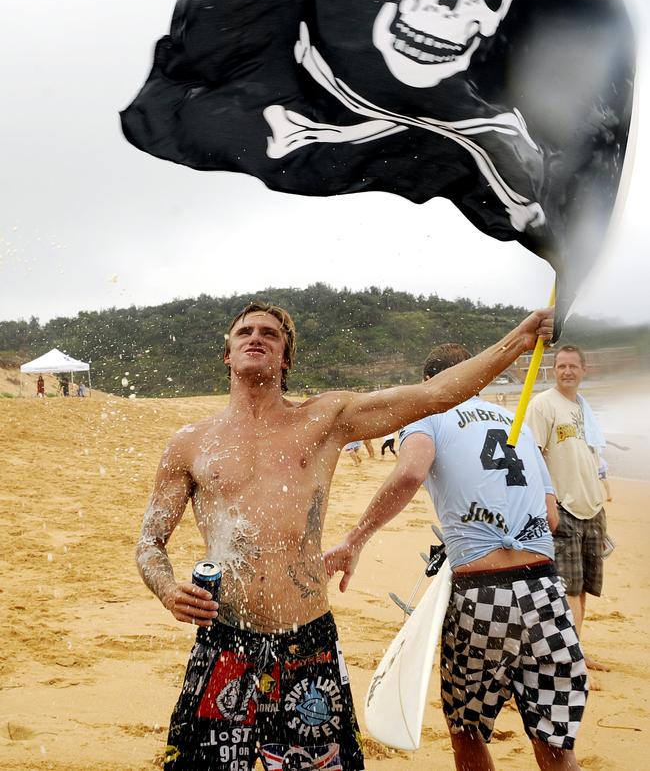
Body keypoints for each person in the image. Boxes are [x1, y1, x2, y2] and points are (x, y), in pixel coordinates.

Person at [135, 302, 553, 771]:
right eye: (245, 332)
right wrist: (169, 591)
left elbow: (435, 395)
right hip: (224, 641)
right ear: (228, 354)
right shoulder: (190, 443)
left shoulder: (325, 419)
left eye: (271, 334)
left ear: (286, 359)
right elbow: (150, 541)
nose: (257, 337)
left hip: (307, 642)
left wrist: (519, 340)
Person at [326, 342, 586, 771]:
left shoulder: (427, 414)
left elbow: (410, 471)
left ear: (434, 384)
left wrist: (355, 539)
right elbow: (552, 518)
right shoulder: (516, 422)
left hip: (482, 597)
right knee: (556, 746)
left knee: (467, 730)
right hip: (546, 593)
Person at [525, 345, 609, 674]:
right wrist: (546, 502)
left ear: (583, 370)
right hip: (564, 506)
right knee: (569, 587)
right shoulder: (543, 405)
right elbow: (530, 456)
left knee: (585, 586)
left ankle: (577, 648)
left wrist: (601, 501)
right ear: (553, 369)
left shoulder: (584, 408)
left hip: (592, 506)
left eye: (573, 366)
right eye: (561, 366)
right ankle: (570, 658)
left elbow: (591, 459)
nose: (567, 371)